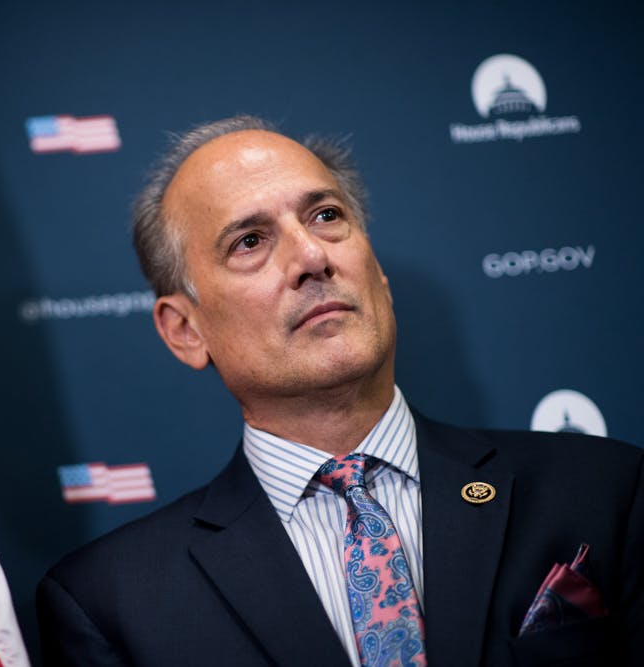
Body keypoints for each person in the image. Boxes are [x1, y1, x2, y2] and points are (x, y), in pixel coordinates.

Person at [36, 116, 644, 667]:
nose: (310, 256)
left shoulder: (604, 492)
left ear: (377, 271)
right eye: (249, 241)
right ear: (186, 330)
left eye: (326, 216)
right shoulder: (109, 602)